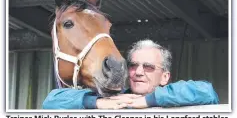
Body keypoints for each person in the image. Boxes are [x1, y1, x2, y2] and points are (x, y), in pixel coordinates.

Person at [42, 39, 219, 109]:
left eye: (148, 67)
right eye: (133, 65)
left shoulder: (175, 96)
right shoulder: (116, 100)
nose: (139, 72)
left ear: (165, 77)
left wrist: (148, 101)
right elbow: (51, 101)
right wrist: (96, 102)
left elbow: (207, 92)